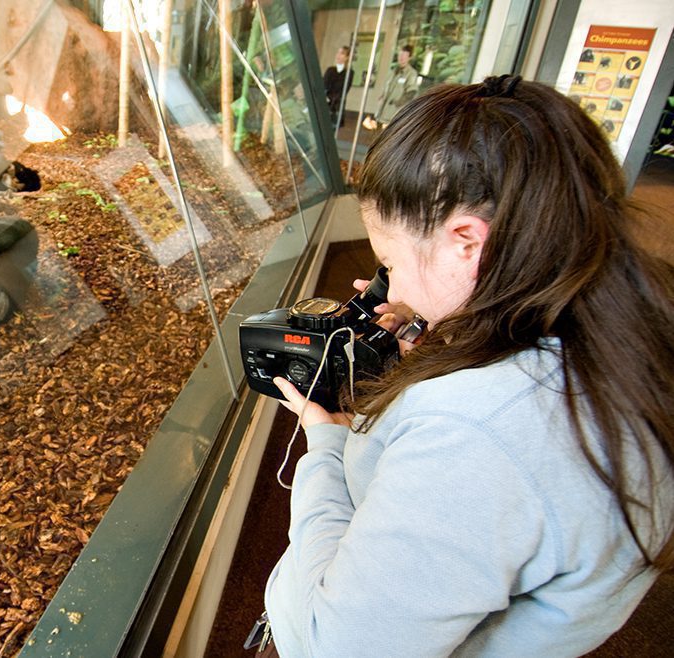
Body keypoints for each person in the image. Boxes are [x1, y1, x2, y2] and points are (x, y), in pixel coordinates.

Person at [263, 76, 674, 656]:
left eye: (390, 262)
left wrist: (327, 445)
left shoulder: (475, 435)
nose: (393, 286)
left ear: (467, 242)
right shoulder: (628, 340)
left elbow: (337, 644)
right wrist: (443, 357)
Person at [364, 44, 419, 131]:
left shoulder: (411, 73)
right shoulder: (393, 71)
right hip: (382, 113)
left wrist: (398, 103)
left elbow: (411, 92)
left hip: (394, 114)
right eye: (400, 55)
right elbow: (387, 87)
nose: (401, 58)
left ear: (409, 58)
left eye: (404, 56)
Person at [322, 46, 354, 128]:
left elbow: (344, 90)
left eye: (342, 53)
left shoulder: (349, 73)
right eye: (338, 53)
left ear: (347, 57)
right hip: (326, 104)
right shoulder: (330, 70)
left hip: (336, 106)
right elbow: (324, 86)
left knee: (332, 129)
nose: (338, 55)